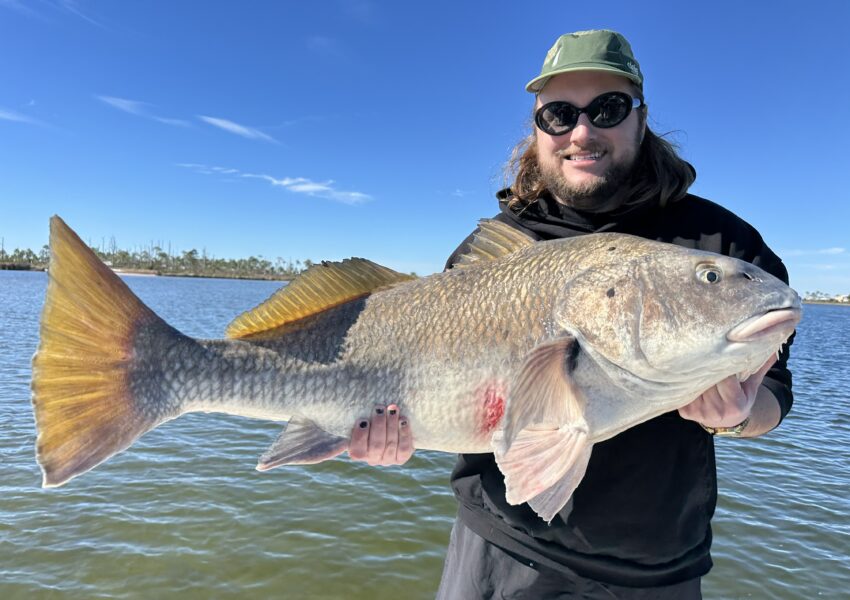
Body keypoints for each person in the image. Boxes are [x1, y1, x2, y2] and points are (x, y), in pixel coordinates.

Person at [349, 29, 794, 599]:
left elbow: (775, 394)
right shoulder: (490, 248)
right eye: (558, 114)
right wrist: (386, 437)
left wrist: (737, 414)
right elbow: (432, 394)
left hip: (661, 571)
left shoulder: (723, 245)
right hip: (500, 553)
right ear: (537, 128)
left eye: (607, 108)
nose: (582, 132)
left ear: (641, 116)